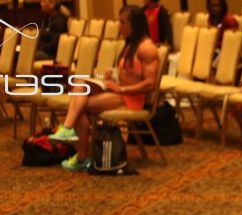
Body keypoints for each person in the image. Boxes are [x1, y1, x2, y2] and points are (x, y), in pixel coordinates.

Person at [49, 5, 160, 172]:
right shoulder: (130, 45)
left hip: (130, 99)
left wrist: (120, 89)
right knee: (80, 83)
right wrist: (108, 75)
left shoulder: (147, 48)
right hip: (117, 91)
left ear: (134, 24)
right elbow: (126, 73)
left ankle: (80, 154)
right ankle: (69, 131)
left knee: (79, 106)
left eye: (122, 23)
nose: (119, 27)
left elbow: (150, 83)